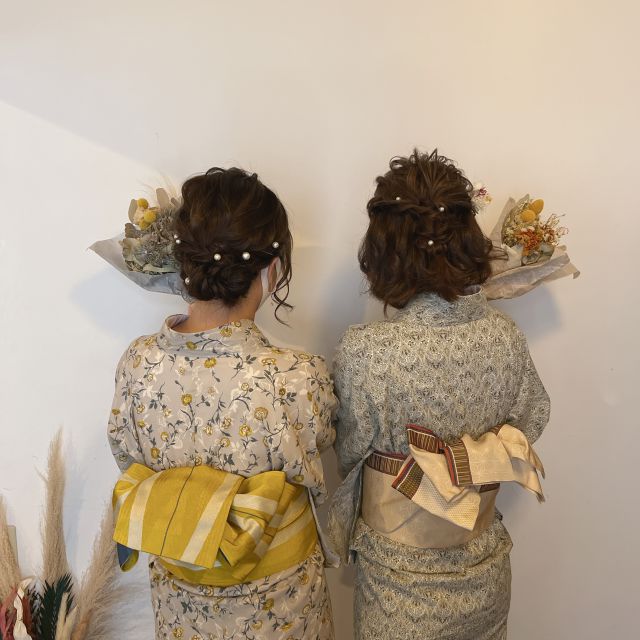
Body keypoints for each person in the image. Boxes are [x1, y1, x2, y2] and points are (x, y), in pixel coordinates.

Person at [328, 150, 550, 640]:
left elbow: (349, 452)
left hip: (398, 584)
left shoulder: (366, 351)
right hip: (484, 571)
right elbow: (532, 419)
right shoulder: (505, 336)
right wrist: (471, 459)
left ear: (383, 250)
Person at [108, 167, 337, 640]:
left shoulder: (138, 364)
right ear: (272, 270)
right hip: (280, 607)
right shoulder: (296, 377)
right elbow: (323, 444)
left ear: (183, 263)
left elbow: (126, 456)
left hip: (181, 603)